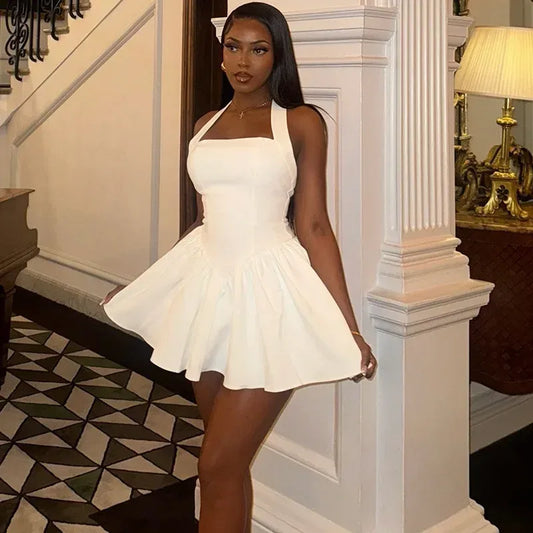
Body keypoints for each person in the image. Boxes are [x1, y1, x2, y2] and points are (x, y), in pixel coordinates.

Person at [101, 2, 377, 531]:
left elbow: (314, 225)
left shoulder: (301, 122)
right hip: (209, 296)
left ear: (277, 56)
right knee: (224, 462)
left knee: (216, 465)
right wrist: (143, 289)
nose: (243, 61)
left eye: (258, 49)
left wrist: (348, 327)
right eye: (233, 47)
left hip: (269, 297)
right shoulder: (204, 124)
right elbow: (203, 224)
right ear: (221, 51)